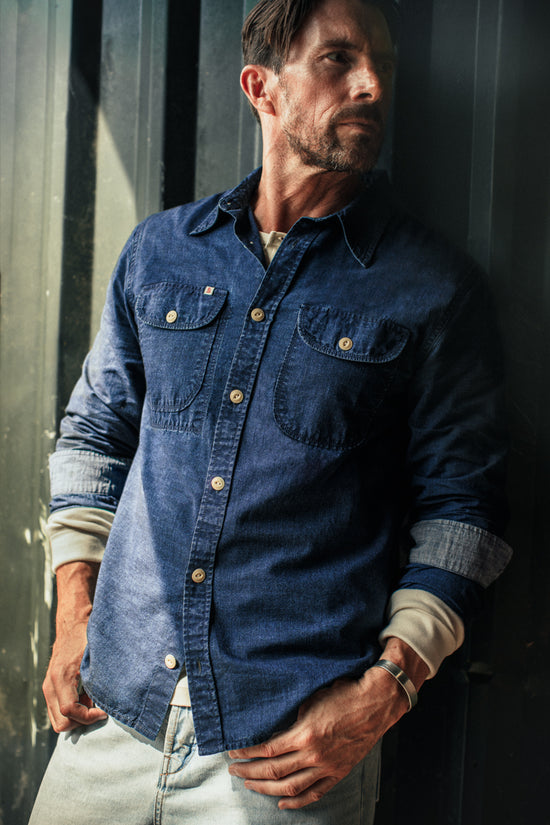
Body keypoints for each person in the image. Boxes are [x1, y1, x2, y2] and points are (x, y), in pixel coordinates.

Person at [29, 0, 512, 822]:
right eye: (338, 59)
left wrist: (385, 691)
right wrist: (73, 614)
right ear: (263, 87)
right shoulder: (160, 251)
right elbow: (94, 436)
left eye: (383, 65)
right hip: (112, 714)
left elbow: (465, 511)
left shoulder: (435, 287)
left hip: (289, 755)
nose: (371, 84)